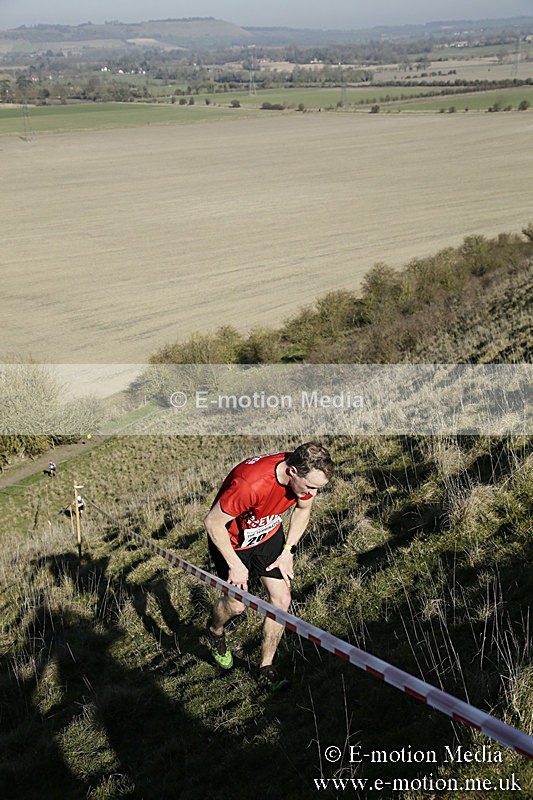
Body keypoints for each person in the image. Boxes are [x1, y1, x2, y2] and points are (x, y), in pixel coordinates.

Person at [204, 441, 334, 689]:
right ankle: (215, 631)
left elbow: (303, 511)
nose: (312, 493)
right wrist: (235, 565)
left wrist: (288, 551)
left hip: (267, 536)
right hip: (231, 542)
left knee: (281, 600)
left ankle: (266, 667)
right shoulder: (250, 484)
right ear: (292, 471)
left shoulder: (305, 481)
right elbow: (212, 523)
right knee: (236, 606)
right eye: (310, 487)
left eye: (319, 488)